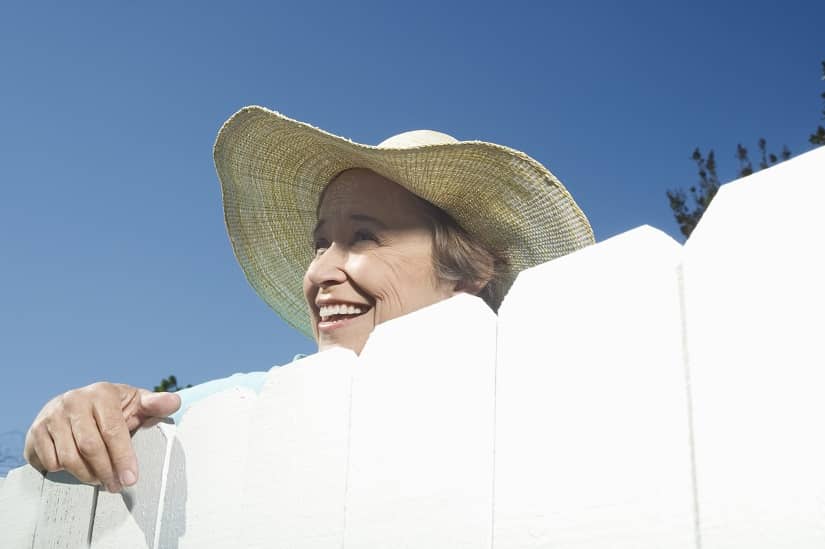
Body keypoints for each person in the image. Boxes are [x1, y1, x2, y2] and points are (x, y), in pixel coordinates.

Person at [23, 106, 594, 493]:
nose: (320, 270)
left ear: (468, 273)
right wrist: (75, 414)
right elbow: (121, 426)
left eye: (364, 237)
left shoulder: (552, 404)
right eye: (321, 243)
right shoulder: (259, 396)